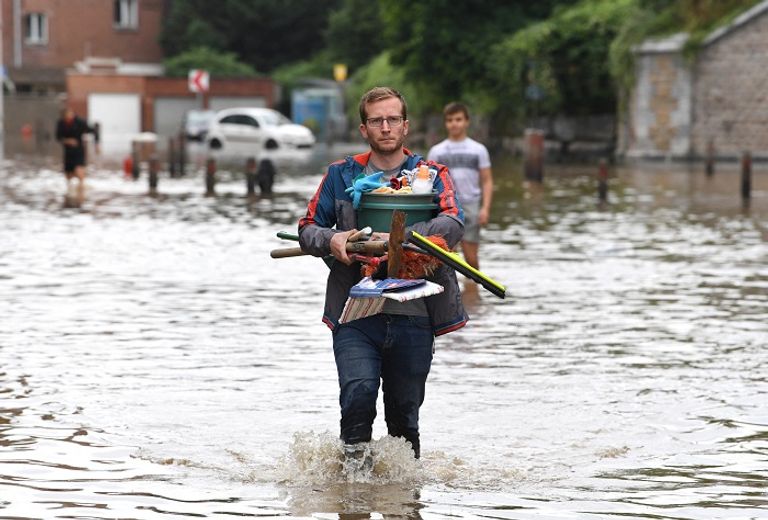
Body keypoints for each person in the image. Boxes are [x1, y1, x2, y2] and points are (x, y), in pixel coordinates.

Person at [298, 87, 468, 460]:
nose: (386, 127)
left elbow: (454, 221)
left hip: (415, 314)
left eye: (393, 119)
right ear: (364, 129)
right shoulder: (341, 175)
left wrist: (399, 240)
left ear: (406, 126)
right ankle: (351, 489)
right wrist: (332, 239)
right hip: (356, 312)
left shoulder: (432, 175)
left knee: (404, 422)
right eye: (377, 121)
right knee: (357, 399)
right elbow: (307, 229)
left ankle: (405, 493)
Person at [428, 102, 493, 270]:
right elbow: (429, 183)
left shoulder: (479, 150)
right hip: (446, 206)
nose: (454, 124)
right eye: (450, 120)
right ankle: (452, 287)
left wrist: (485, 208)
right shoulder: (437, 151)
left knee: (471, 258)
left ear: (466, 121)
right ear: (445, 123)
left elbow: (487, 180)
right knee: (447, 258)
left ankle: (473, 286)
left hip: (471, 204)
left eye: (458, 119)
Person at [56, 108, 99, 196]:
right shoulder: (61, 123)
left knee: (79, 171)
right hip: (68, 152)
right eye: (66, 117)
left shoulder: (80, 122)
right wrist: (68, 141)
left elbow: (94, 131)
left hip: (79, 150)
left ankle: (81, 192)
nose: (69, 117)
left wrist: (97, 144)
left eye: (70, 115)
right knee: (68, 176)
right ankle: (69, 193)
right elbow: (58, 137)